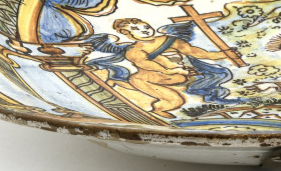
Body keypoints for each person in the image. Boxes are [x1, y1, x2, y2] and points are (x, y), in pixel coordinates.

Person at [85, 18, 235, 118]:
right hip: (147, 80)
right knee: (175, 102)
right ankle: (158, 110)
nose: (144, 30)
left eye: (146, 26)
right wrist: (172, 69)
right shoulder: (133, 51)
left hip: (176, 78)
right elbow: (148, 64)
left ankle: (117, 82)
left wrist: (222, 54)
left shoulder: (169, 40)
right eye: (136, 29)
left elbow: (193, 51)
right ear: (127, 34)